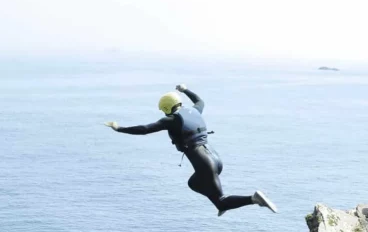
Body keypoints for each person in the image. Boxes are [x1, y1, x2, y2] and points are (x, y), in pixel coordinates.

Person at [104, 85, 277, 216]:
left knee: (221, 201)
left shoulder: (171, 120)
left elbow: (145, 129)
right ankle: (221, 203)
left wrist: (119, 128)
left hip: (204, 163)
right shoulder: (194, 111)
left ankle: (253, 198)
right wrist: (186, 89)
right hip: (215, 158)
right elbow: (200, 101)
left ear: (165, 107)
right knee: (193, 184)